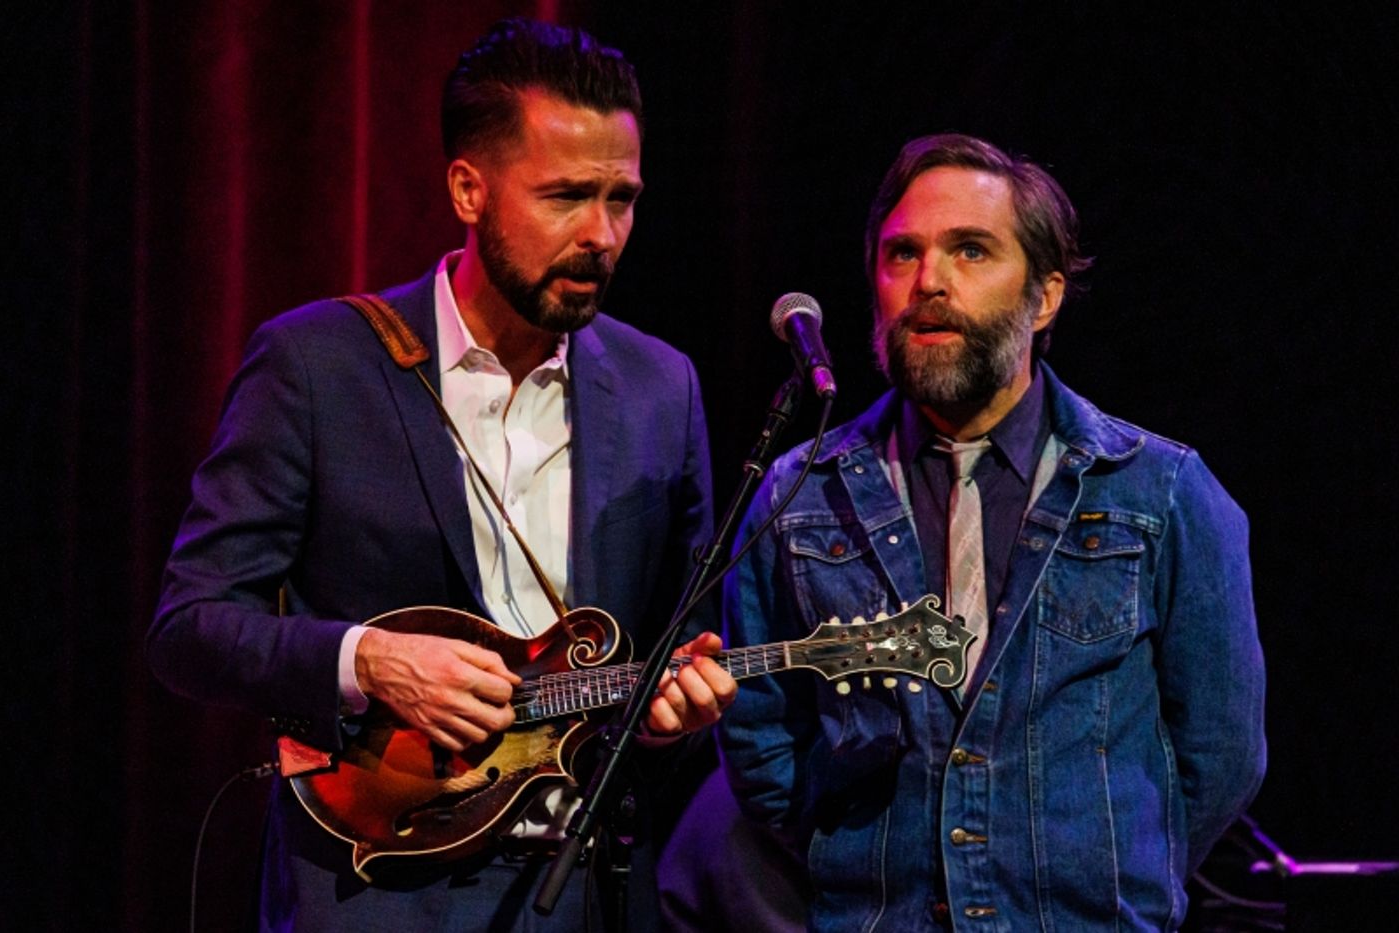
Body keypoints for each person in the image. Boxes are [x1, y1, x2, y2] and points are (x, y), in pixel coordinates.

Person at [148, 18, 735, 932]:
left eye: (622, 198)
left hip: (585, 892)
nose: (602, 234)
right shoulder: (316, 364)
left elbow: (675, 647)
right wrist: (366, 661)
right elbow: (189, 627)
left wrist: (675, 717)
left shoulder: (664, 386)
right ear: (469, 188)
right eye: (566, 196)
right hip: (367, 889)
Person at [719, 133, 1266, 931]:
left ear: (1043, 298)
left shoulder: (1160, 491)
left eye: (971, 251)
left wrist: (1104, 874)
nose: (929, 282)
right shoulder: (800, 493)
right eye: (901, 253)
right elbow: (763, 742)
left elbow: (1221, 756)